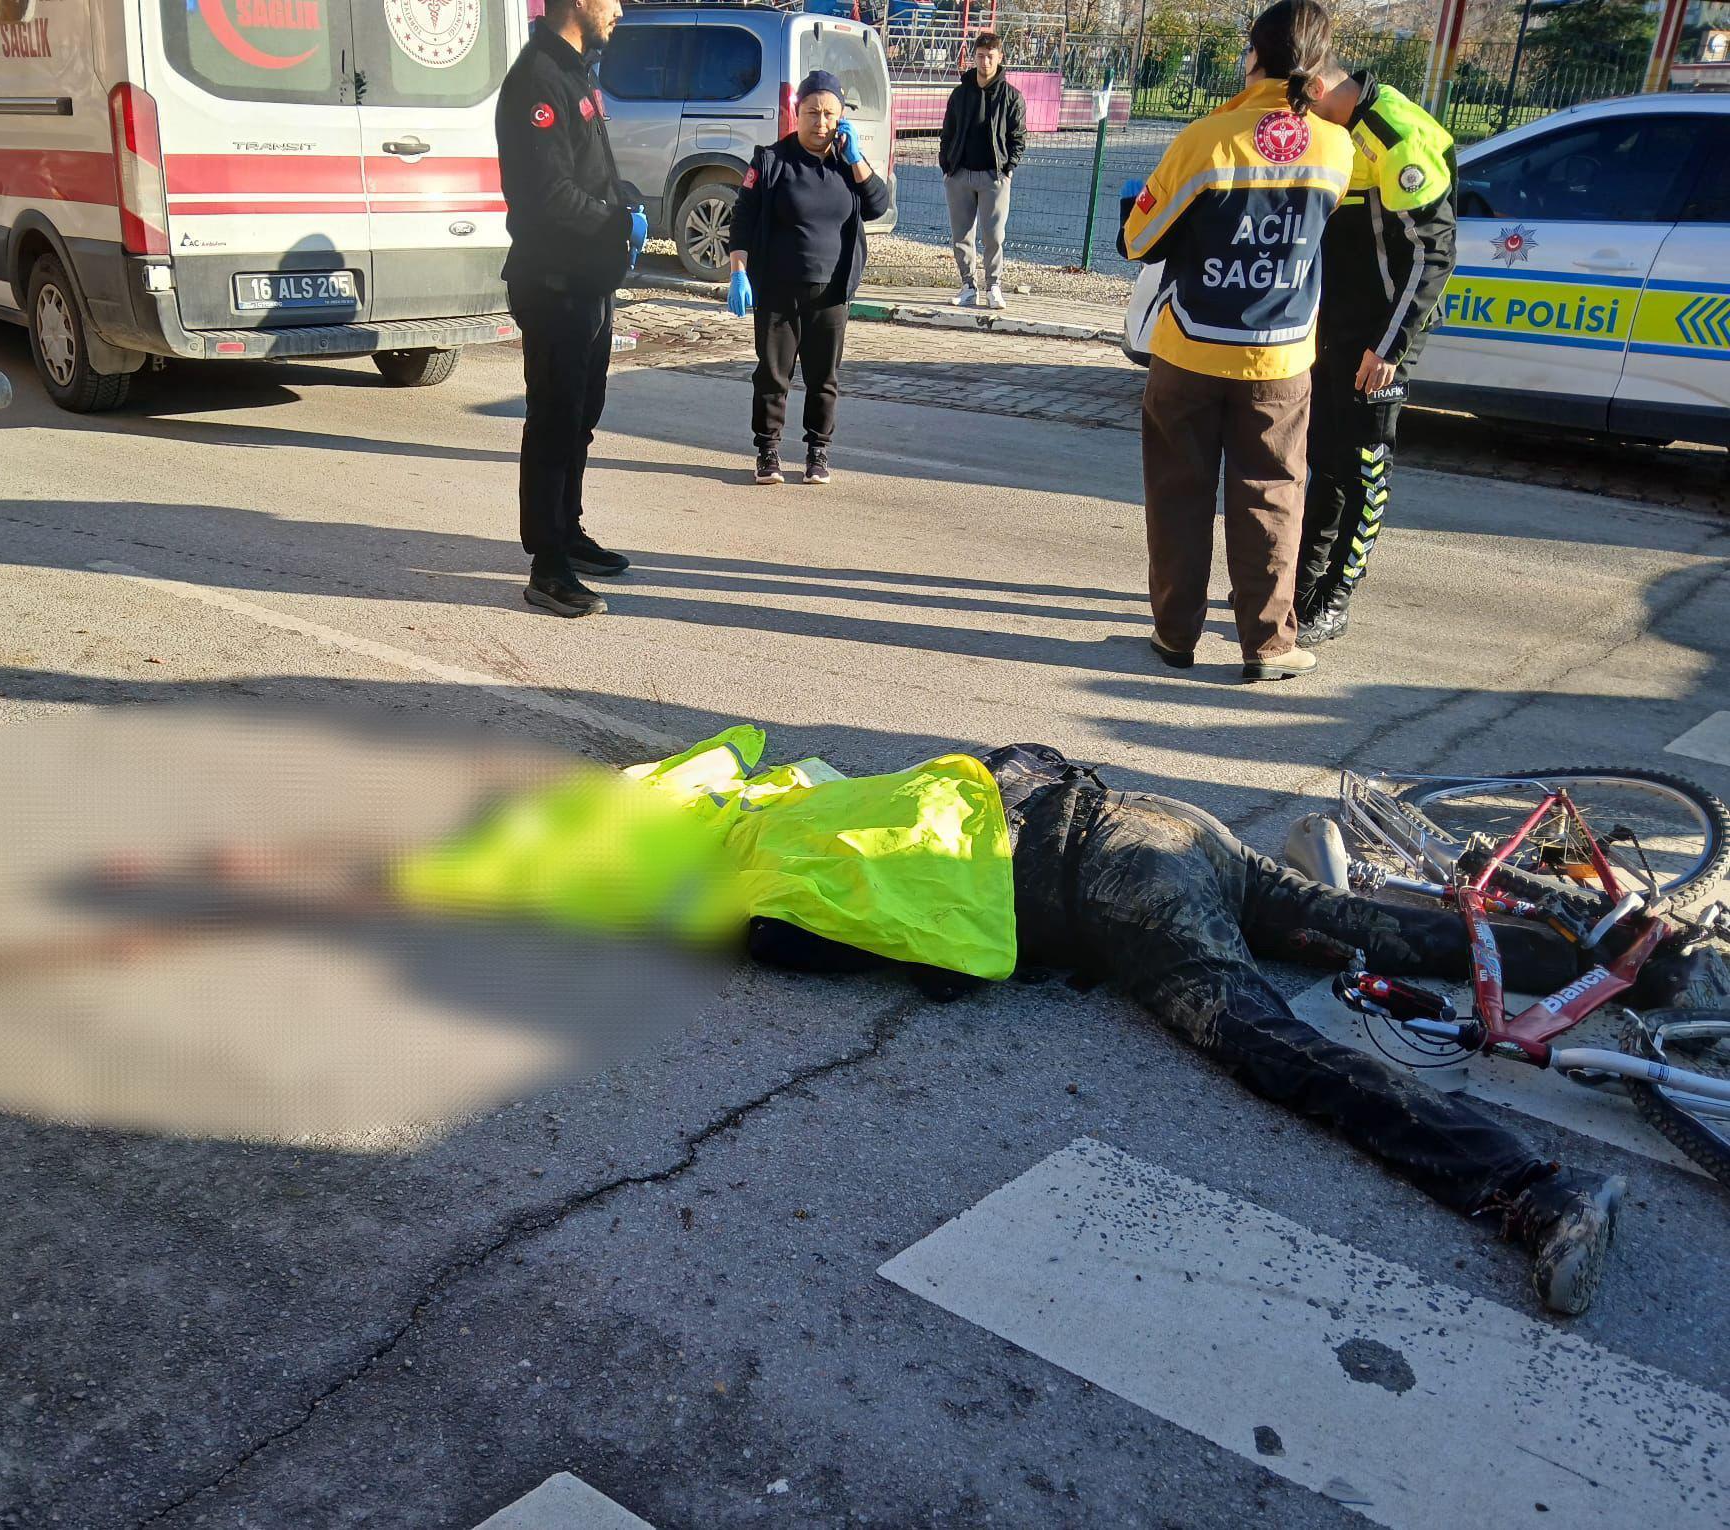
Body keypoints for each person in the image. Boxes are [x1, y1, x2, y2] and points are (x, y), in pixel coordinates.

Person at [405, 723, 1727, 1316]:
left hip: (1112, 886)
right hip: (1153, 818)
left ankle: (1536, 1191)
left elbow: (925, 962)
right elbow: (1008, 766)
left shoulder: (751, 892)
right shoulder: (790, 795)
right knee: (1357, 923)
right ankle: (1643, 961)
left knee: (1275, 1049)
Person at [1118, 0, 1351, 682]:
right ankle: (1269, 645)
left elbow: (1138, 239)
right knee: (1273, 499)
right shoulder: (1336, 147)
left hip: (1190, 350)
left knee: (1178, 496)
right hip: (1282, 355)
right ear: (1318, 64)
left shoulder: (1207, 140)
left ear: (1252, 55)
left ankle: (1174, 636)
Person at [1293, 58, 1458, 647]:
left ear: (1316, 87)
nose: (1294, 117)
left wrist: (1388, 346)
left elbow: (1433, 254)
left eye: (1297, 102)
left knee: (1365, 466)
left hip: (1386, 335)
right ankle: (1300, 583)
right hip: (1337, 326)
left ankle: (1336, 597)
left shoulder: (1395, 132)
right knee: (1324, 456)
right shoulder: (1339, 128)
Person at [496, 0, 646, 619]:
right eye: (611, 0)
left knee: (581, 416)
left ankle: (569, 529)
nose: (619, 10)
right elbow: (547, 193)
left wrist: (624, 199)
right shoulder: (538, 78)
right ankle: (547, 564)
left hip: (587, 282)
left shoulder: (575, 71)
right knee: (554, 422)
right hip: (553, 283)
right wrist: (616, 221)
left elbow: (587, 170)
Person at [727, 70, 892, 488]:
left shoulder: (846, 164)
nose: (821, 122)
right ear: (796, 112)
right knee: (772, 375)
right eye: (812, 112)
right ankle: (768, 452)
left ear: (841, 118)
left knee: (824, 379)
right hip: (778, 291)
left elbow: (878, 205)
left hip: (831, 293)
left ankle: (818, 452)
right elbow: (742, 220)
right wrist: (738, 271)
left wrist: (856, 159)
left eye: (830, 114)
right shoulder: (771, 161)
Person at [939, 31, 1028, 310]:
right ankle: (968, 286)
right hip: (960, 175)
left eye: (990, 56)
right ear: (973, 57)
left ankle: (993, 287)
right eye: (980, 56)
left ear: (1000, 58)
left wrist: (1009, 167)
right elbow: (947, 131)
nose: (985, 62)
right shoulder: (960, 93)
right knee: (961, 235)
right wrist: (947, 166)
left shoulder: (1011, 96)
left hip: (994, 176)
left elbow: (1018, 136)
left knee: (994, 236)